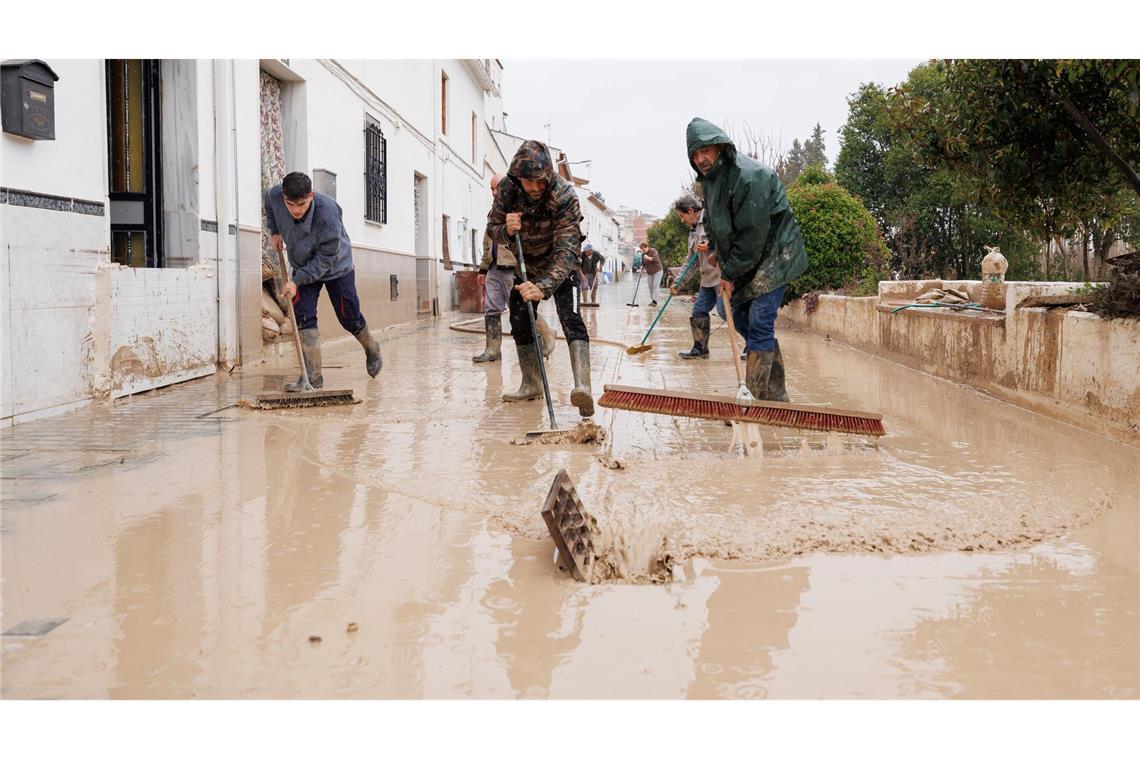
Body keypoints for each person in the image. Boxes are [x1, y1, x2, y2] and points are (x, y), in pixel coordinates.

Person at [686, 117, 808, 401]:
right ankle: (776, 393)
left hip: (775, 255)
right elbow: (716, 221)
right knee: (728, 309)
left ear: (719, 147)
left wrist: (728, 274)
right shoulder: (710, 181)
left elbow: (752, 234)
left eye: (706, 151)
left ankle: (754, 397)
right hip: (748, 257)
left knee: (759, 321)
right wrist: (716, 249)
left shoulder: (748, 176)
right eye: (695, 154)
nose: (701, 159)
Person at [486, 140, 595, 417]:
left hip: (562, 264)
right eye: (528, 181)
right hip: (527, 263)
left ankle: (583, 386)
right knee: (519, 315)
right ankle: (531, 383)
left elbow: (567, 247)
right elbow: (492, 228)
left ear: (547, 175)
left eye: (539, 181)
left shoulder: (564, 194)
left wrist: (544, 287)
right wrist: (506, 231)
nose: (534, 187)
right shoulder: (508, 191)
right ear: (517, 177)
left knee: (570, 315)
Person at [264, 171, 382, 391]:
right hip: (302, 261)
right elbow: (269, 202)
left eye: (301, 204)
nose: (296, 210)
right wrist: (275, 231)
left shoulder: (328, 212)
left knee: (348, 315)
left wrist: (295, 281)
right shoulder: (275, 196)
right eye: (291, 204)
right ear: (284, 198)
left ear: (311, 195)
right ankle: (312, 380)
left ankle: (371, 347)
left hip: (336, 265)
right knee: (303, 315)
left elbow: (326, 258)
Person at [473, 174, 555, 362]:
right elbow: (488, 242)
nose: (494, 192)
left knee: (520, 308)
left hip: (514, 267)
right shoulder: (494, 212)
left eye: (497, 188)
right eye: (491, 189)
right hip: (494, 266)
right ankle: (492, 349)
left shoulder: (519, 207)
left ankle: (548, 335)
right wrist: (483, 269)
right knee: (491, 308)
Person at [669, 193, 725, 359]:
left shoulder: (712, 219)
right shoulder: (693, 231)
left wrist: (711, 245)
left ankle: (753, 344)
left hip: (722, 277)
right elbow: (690, 262)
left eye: (682, 215)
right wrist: (678, 283)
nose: (682, 220)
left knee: (725, 312)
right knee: (699, 311)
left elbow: (728, 240)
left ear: (691, 211)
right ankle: (700, 348)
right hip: (707, 280)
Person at [639, 241, 663, 306]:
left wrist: (648, 258)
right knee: (650, 286)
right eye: (642, 250)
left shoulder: (653, 251)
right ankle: (653, 300)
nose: (643, 251)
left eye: (643, 249)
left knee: (655, 285)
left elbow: (655, 259)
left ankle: (655, 301)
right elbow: (643, 263)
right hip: (650, 272)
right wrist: (641, 270)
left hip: (658, 271)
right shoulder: (643, 255)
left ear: (647, 247)